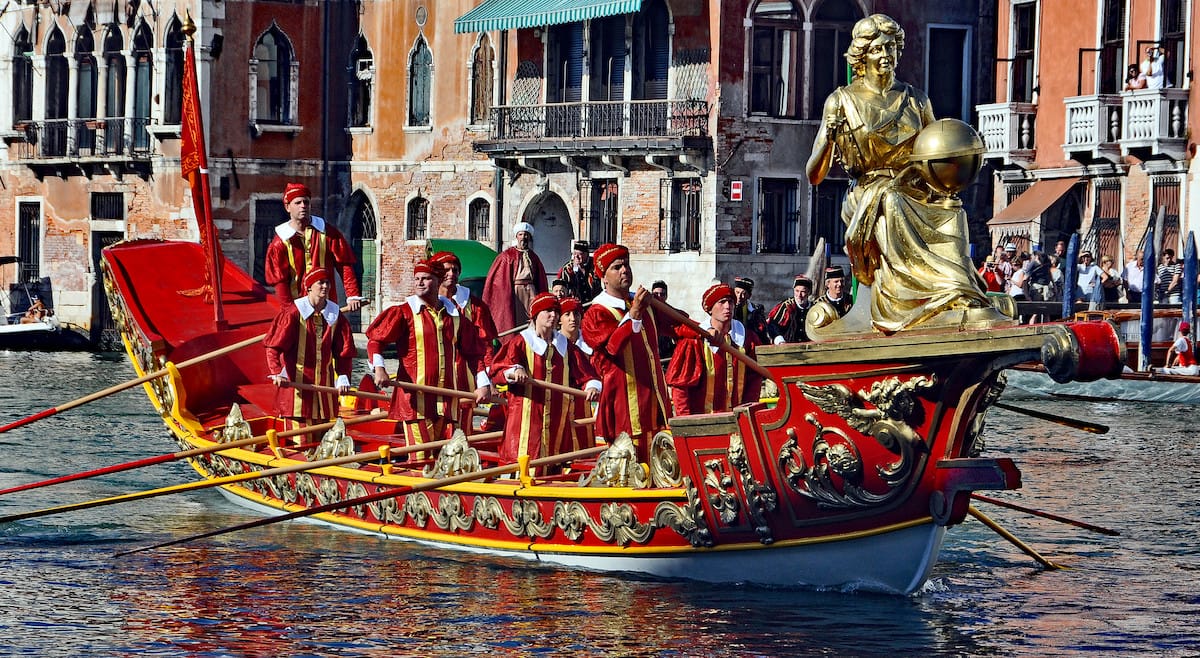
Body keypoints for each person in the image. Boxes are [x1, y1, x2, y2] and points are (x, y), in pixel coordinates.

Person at [805, 13, 997, 334]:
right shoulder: (842, 101)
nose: (886, 56)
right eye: (878, 49)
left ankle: (957, 293)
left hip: (916, 187)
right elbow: (814, 174)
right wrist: (828, 139)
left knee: (952, 211)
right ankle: (905, 306)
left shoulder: (916, 100)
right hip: (869, 191)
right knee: (892, 200)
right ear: (862, 57)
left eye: (891, 48)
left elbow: (933, 152)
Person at [366, 259, 492, 451]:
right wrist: (379, 368)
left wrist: (483, 384)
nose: (419, 283)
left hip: (448, 400)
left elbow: (474, 353)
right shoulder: (404, 312)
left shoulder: (455, 317)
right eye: (416, 278)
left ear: (437, 281)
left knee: (450, 458)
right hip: (416, 401)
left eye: (425, 278)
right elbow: (376, 340)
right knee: (420, 457)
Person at [582, 243, 672, 460]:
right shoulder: (596, 313)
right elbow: (613, 346)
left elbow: (676, 324)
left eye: (627, 265)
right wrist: (634, 313)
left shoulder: (644, 303)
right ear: (604, 277)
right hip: (623, 401)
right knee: (629, 461)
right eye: (617, 267)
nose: (625, 270)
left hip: (654, 396)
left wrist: (709, 330)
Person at [492, 293, 600, 468]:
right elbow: (498, 369)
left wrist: (592, 386)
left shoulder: (566, 346)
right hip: (526, 418)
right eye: (548, 311)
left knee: (557, 460)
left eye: (556, 312)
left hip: (558, 419)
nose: (554, 315)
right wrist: (514, 370)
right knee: (527, 459)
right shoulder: (520, 342)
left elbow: (586, 373)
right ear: (535, 315)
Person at [264, 269, 356, 424]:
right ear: (308, 288)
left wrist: (343, 376)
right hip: (297, 387)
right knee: (300, 439)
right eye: (320, 283)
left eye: (327, 283)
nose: (325, 286)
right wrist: (277, 372)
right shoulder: (293, 313)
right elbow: (273, 347)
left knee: (323, 439)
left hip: (325, 389)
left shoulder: (335, 314)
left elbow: (344, 351)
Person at [665, 283, 763, 416]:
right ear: (710, 309)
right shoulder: (694, 342)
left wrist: (748, 413)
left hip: (739, 421)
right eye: (721, 302)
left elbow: (754, 380)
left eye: (730, 302)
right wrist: (687, 423)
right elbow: (680, 389)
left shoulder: (748, 339)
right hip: (705, 423)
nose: (727, 307)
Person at [264, 183, 363, 310]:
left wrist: (352, 294)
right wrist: (288, 309)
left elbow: (344, 264)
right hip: (298, 307)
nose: (303, 206)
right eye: (298, 203)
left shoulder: (328, 233)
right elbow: (280, 281)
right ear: (288, 207)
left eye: (306, 202)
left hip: (327, 305)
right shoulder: (280, 242)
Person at [430, 250, 498, 391]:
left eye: (455, 270)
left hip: (466, 376)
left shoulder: (476, 306)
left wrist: (487, 378)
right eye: (446, 270)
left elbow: (485, 345)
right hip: (431, 376)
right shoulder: (425, 304)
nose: (451, 274)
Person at [482, 222, 549, 333]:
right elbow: (499, 279)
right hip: (516, 292)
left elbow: (540, 278)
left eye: (526, 235)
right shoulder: (507, 256)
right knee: (516, 319)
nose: (524, 237)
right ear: (517, 236)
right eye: (521, 235)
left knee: (533, 317)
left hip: (531, 291)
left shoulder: (533, 257)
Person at [558, 296, 597, 451]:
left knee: (584, 440)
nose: (573, 319)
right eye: (567, 314)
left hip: (583, 401)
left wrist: (593, 385)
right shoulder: (551, 343)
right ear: (559, 319)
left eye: (576, 314)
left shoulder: (591, 342)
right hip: (559, 399)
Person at [766, 275, 814, 344]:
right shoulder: (787, 306)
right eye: (797, 291)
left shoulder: (813, 308)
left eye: (803, 292)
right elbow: (772, 324)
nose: (799, 295)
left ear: (809, 292)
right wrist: (779, 339)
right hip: (788, 346)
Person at [732, 277, 768, 344]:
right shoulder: (728, 307)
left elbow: (762, 333)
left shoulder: (756, 311)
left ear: (749, 296)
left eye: (743, 294)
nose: (739, 297)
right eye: (737, 292)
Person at [650, 280, 678, 360]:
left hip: (666, 357)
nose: (659, 297)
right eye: (655, 294)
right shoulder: (646, 312)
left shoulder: (671, 313)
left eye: (662, 294)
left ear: (666, 296)